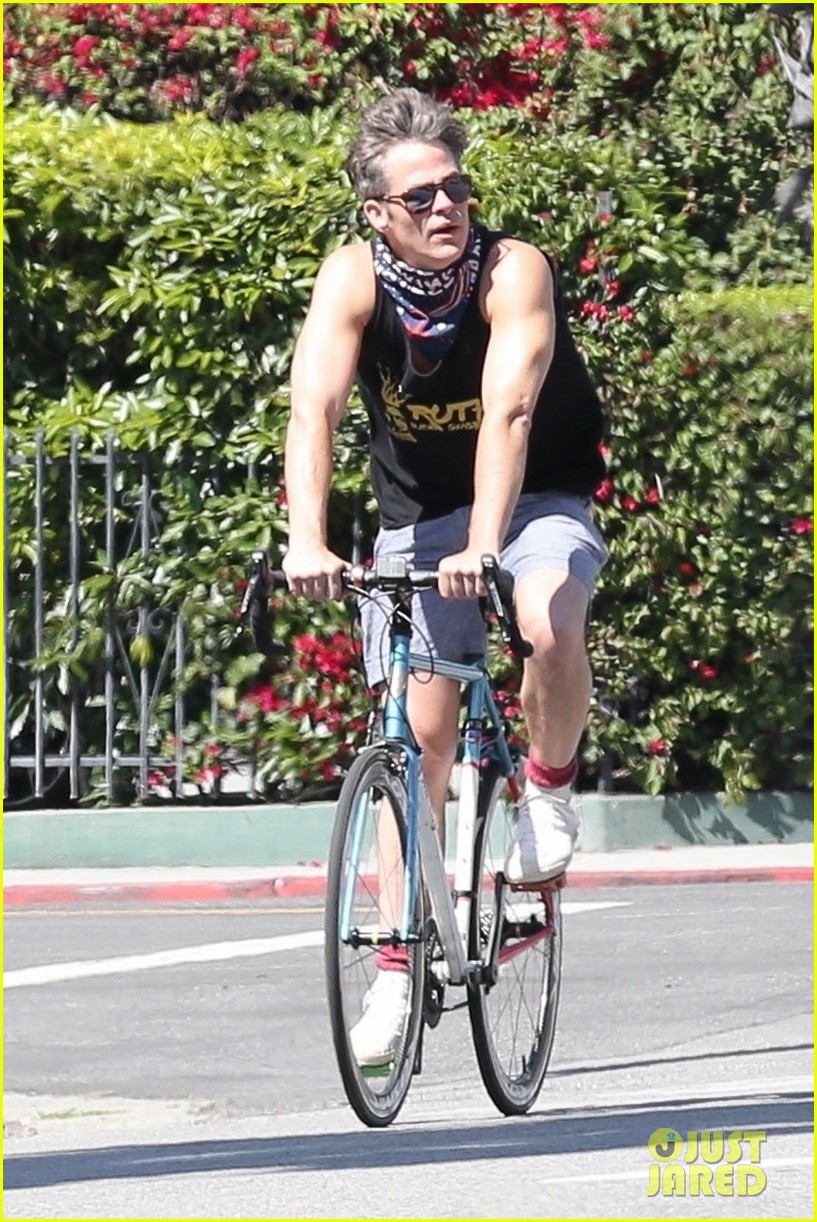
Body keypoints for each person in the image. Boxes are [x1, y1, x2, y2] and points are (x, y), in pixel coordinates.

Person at [282, 87, 608, 1066]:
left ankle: (545, 790)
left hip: (537, 491)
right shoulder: (353, 281)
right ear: (376, 211)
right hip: (419, 513)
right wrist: (308, 538)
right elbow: (315, 411)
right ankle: (393, 970)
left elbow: (509, 413)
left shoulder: (511, 272)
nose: (444, 209)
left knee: (548, 623)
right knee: (415, 739)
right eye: (419, 197)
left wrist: (488, 545)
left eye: (455, 190)